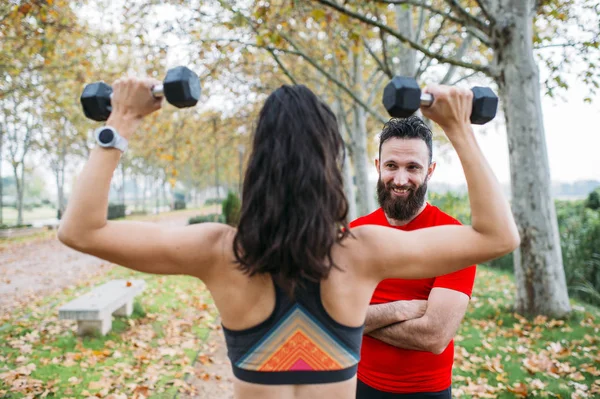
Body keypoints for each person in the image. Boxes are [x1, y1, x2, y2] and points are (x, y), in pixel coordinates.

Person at [58, 76, 519, 399]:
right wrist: (458, 126)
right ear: (330, 166)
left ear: (257, 165)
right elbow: (497, 235)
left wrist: (121, 120)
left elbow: (79, 230)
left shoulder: (218, 252)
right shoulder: (363, 251)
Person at [351, 116, 477, 399]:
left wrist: (358, 320)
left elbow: (434, 336)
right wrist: (403, 309)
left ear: (430, 170)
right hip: (357, 383)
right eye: (391, 165)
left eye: (413, 167)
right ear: (377, 166)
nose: (400, 179)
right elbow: (328, 316)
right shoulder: (356, 233)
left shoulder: (454, 237)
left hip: (426, 392)